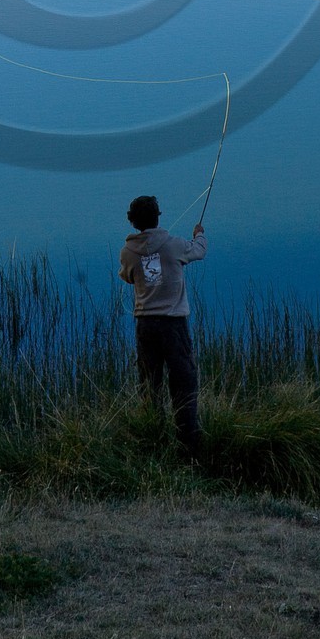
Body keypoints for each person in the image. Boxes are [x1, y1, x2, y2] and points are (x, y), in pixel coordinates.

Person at [119, 194, 207, 457]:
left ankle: (151, 441)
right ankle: (188, 447)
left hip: (145, 326)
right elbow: (199, 250)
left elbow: (127, 277)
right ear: (158, 217)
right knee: (184, 383)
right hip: (173, 326)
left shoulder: (127, 252)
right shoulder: (175, 245)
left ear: (134, 223)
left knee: (149, 384)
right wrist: (199, 234)